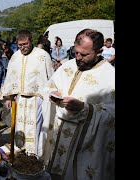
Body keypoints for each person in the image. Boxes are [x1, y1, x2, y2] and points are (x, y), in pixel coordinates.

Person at [42, 29, 115, 180]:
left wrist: (85, 109)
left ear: (99, 51)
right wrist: (53, 93)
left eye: (84, 54)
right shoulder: (68, 66)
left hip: (84, 146)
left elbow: (112, 115)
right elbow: (51, 85)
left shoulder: (110, 76)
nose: (78, 58)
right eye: (76, 52)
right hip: (58, 136)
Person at [0, 30, 54, 156]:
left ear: (31, 41)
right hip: (19, 100)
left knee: (35, 130)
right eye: (20, 45)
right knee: (19, 129)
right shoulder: (15, 56)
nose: (22, 47)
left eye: (25, 44)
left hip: (37, 100)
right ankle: (19, 156)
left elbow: (51, 77)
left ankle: (34, 157)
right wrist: (8, 97)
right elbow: (10, 77)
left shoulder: (42, 55)